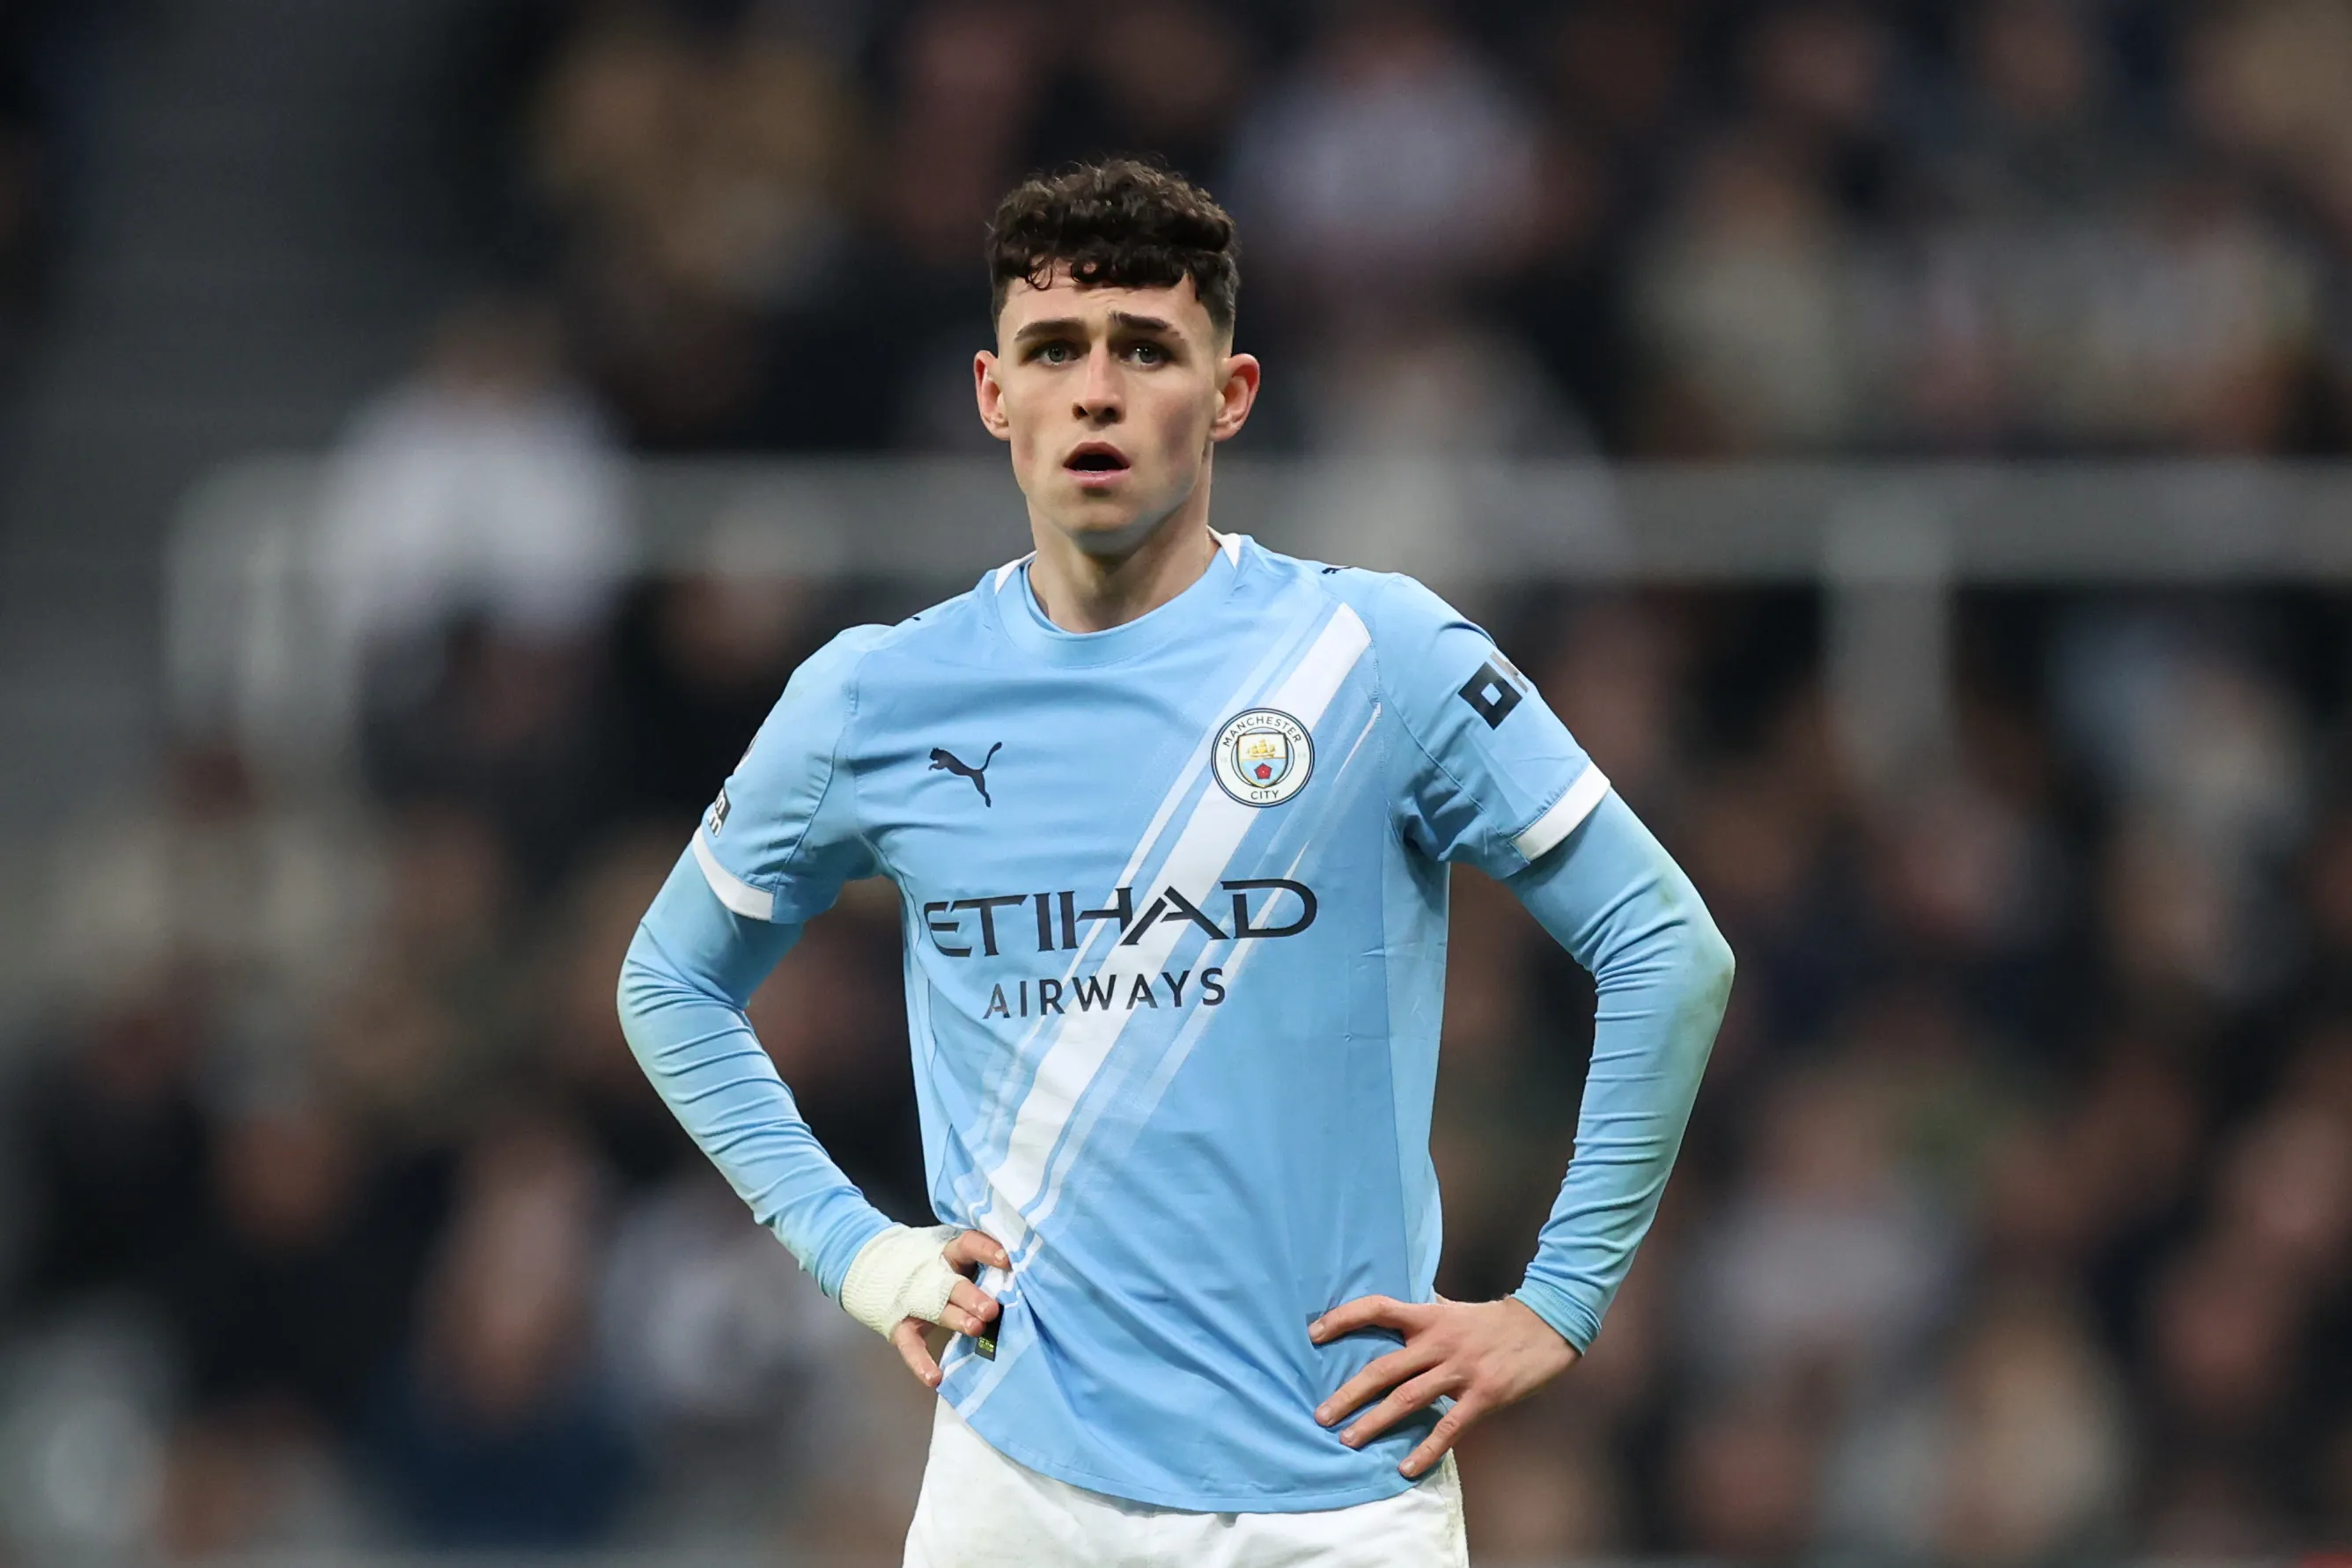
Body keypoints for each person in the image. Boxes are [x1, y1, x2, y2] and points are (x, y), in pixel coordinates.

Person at [617, 159, 1733, 1567]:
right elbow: (668, 982)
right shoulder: (874, 699)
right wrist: (853, 1249)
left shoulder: (1372, 660)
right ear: (991, 394)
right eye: (1054, 351)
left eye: (1146, 350)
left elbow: (1668, 949)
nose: (1096, 391)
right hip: (1012, 1490)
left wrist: (1557, 1302)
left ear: (1229, 394)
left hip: (1335, 1500)